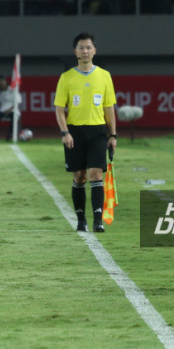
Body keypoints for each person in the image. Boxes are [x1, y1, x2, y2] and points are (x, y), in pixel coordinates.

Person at [54, 32, 117, 233]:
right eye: (81, 47)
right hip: (75, 132)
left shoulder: (104, 76)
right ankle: (81, 220)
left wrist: (113, 135)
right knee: (79, 177)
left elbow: (109, 108)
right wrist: (65, 132)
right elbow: (59, 109)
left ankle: (98, 220)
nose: (85, 51)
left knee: (95, 173)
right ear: (75, 51)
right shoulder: (66, 78)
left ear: (94, 51)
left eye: (89, 47)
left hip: (98, 132)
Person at [0, 75, 20, 141]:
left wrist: (10, 109)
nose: (0, 83)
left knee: (13, 116)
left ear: (6, 82)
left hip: (13, 109)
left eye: (1, 81)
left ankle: (10, 134)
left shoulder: (13, 89)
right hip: (2, 110)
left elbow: (17, 103)